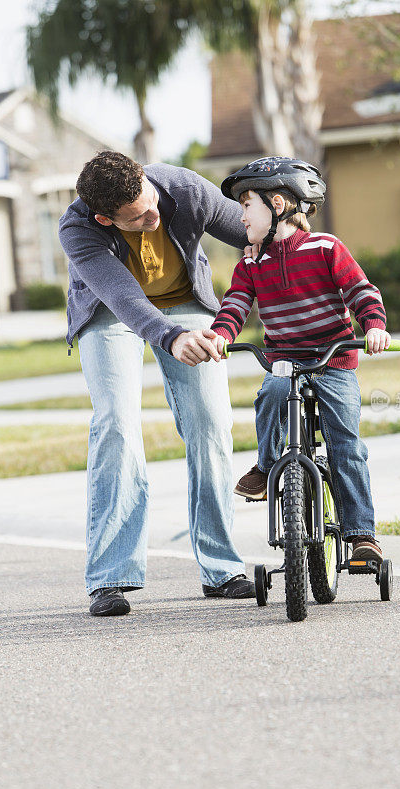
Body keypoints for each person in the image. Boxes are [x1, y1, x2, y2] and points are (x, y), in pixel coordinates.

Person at [59, 150, 256, 616]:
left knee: (211, 423)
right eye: (136, 219)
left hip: (187, 300)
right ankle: (110, 578)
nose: (152, 216)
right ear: (105, 219)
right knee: (117, 424)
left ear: (146, 178)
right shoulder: (77, 228)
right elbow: (123, 295)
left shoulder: (182, 189)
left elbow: (252, 230)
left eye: (150, 203)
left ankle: (222, 568)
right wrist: (170, 336)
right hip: (110, 313)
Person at [199, 156, 391, 563]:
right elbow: (236, 304)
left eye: (247, 204)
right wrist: (220, 335)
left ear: (279, 205)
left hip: (332, 360)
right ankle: (268, 468)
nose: (241, 215)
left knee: (347, 447)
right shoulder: (250, 262)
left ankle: (361, 535)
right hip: (284, 359)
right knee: (270, 394)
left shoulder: (326, 247)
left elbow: (360, 290)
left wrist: (373, 325)